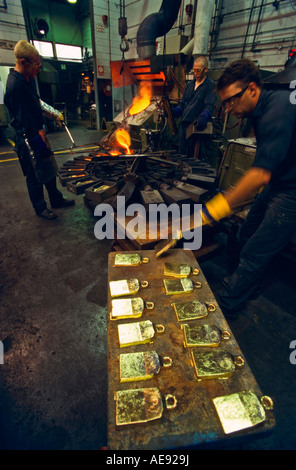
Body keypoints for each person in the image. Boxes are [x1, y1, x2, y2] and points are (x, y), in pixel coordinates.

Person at [201, 58, 296, 318]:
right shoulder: (261, 106)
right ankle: (243, 284)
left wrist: (216, 209)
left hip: (291, 191)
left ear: (252, 89)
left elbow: (259, 175)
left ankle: (227, 306)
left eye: (232, 100)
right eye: (225, 103)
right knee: (246, 233)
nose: (228, 109)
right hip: (279, 180)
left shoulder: (277, 110)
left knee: (256, 250)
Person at [4, 40, 74, 220]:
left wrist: (54, 113)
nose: (38, 69)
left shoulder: (27, 79)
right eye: (36, 65)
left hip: (38, 133)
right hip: (28, 137)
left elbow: (36, 102)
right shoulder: (15, 85)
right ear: (22, 62)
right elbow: (25, 120)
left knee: (48, 166)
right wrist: (40, 137)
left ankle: (56, 198)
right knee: (35, 173)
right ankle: (40, 207)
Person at [173, 56, 217, 155]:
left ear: (206, 69)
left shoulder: (210, 85)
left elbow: (209, 105)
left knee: (194, 157)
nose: (195, 73)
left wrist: (205, 116)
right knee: (182, 155)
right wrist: (175, 111)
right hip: (184, 126)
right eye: (194, 70)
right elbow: (183, 104)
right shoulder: (190, 85)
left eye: (198, 70)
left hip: (196, 127)